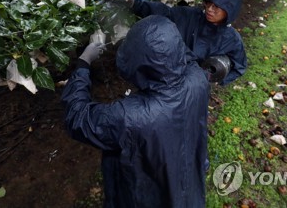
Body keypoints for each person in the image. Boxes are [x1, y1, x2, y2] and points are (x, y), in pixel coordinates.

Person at [61, 15, 210, 208]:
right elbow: (179, 55)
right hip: (188, 183)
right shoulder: (198, 79)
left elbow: (77, 117)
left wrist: (83, 64)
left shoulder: (130, 116)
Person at [96, 0, 247, 85]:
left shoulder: (232, 39)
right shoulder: (191, 16)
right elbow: (164, 12)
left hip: (195, 84)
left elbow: (239, 67)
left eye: (217, 7)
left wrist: (212, 76)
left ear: (230, 11)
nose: (209, 9)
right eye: (208, 3)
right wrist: (132, 3)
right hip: (168, 75)